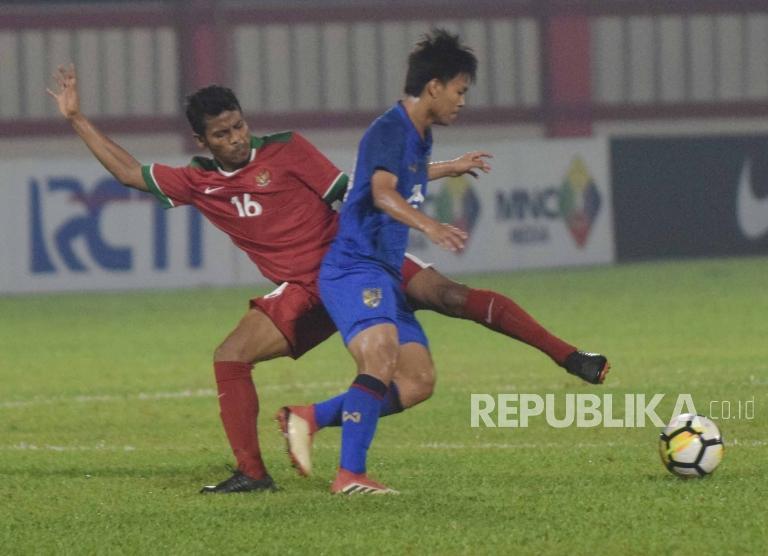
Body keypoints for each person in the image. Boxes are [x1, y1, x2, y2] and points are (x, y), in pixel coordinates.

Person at [48, 62, 608, 494]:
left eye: (239, 126)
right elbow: (126, 172)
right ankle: (256, 473)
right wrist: (76, 118)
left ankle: (568, 355)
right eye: (221, 134)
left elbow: (363, 187)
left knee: (428, 351)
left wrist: (442, 167)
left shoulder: (288, 151)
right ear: (203, 141)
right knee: (230, 356)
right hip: (303, 289)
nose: (236, 138)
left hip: (352, 261)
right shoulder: (196, 182)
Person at [300, 29, 610, 495]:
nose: (462, 102)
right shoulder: (388, 128)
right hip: (356, 265)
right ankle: (350, 475)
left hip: (385, 268)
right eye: (460, 90)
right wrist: (429, 225)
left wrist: (450, 166)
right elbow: (383, 192)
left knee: (419, 380)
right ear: (434, 87)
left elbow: (401, 173)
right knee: (381, 357)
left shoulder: (417, 133)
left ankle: (308, 417)